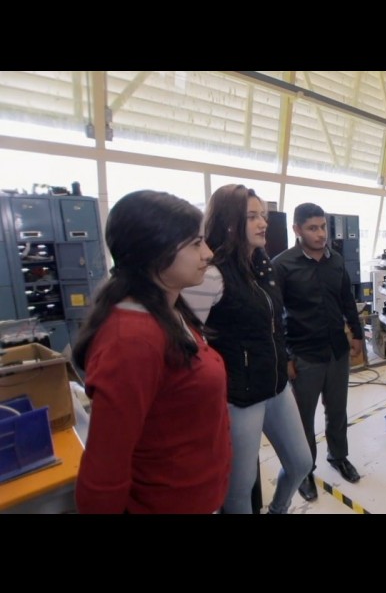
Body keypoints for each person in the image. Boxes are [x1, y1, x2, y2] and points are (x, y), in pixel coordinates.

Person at [73, 190, 231, 514]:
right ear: (155, 251)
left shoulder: (168, 310)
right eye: (196, 244)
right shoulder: (132, 340)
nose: (208, 253)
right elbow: (104, 472)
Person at [183, 184, 312, 514]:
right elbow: (186, 342)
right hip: (239, 396)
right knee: (239, 489)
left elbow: (273, 324)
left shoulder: (261, 265)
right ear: (229, 223)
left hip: (275, 384)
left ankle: (277, 510)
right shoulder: (212, 275)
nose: (263, 223)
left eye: (263, 216)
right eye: (252, 216)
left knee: (301, 463)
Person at [272, 203, 364, 502]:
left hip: (336, 350)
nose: (321, 234)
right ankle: (304, 470)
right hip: (304, 355)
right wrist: (286, 358)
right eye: (313, 228)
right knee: (303, 420)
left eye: (323, 227)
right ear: (297, 229)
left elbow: (347, 300)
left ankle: (338, 456)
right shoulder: (282, 265)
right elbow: (275, 318)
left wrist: (357, 334)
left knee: (337, 410)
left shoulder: (335, 260)